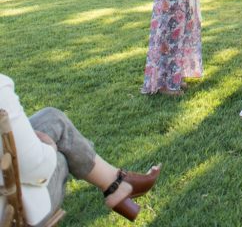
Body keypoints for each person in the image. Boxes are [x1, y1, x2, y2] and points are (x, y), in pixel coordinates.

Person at [0, 74, 160, 225]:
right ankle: (117, 186)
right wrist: (49, 148)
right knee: (59, 157)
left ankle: (115, 183)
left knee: (52, 119)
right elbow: (36, 168)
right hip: (9, 213)